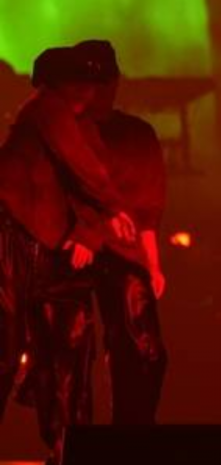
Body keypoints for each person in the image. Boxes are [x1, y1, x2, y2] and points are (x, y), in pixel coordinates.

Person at [0, 46, 135, 459]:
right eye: (82, 84)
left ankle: (68, 452)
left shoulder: (81, 124)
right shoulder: (47, 109)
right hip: (15, 241)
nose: (90, 93)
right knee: (9, 350)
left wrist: (91, 233)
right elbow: (83, 168)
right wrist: (112, 211)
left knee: (66, 362)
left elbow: (91, 175)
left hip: (54, 253)